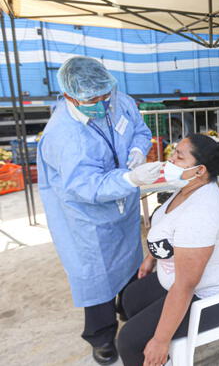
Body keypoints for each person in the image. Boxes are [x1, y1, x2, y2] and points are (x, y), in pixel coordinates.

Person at [37, 56, 162, 365]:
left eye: (106, 95)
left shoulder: (118, 100)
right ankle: (102, 336)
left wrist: (137, 149)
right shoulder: (62, 135)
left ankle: (130, 310)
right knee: (96, 276)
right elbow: (85, 186)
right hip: (87, 218)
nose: (103, 103)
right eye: (93, 99)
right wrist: (130, 178)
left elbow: (140, 130)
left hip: (123, 207)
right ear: (70, 96)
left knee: (131, 262)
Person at [116, 134, 219, 366]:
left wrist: (161, 340)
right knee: (130, 298)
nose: (170, 159)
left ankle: (156, 353)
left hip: (212, 297)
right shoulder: (186, 187)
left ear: (199, 170)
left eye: (178, 156)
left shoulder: (201, 214)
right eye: (173, 152)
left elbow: (185, 285)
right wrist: (151, 257)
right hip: (178, 278)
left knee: (129, 341)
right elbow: (168, 230)